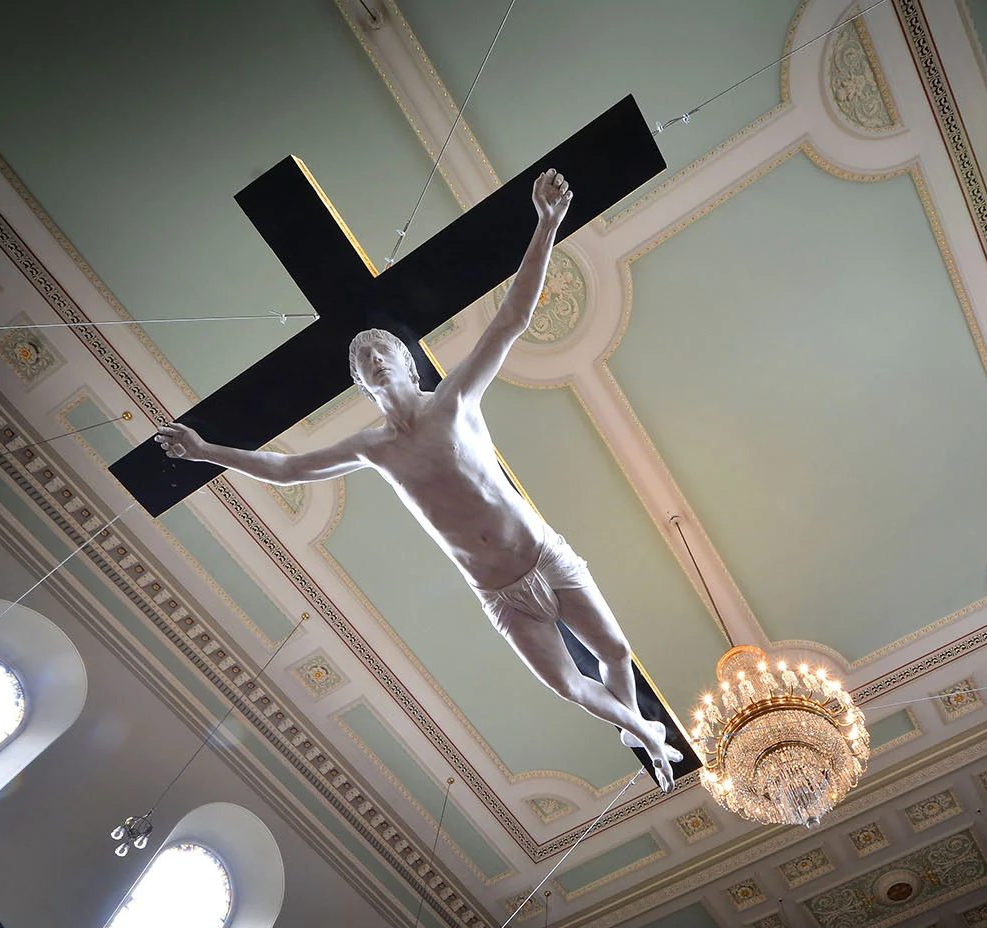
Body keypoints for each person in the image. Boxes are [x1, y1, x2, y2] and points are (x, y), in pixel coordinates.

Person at [156, 169, 682, 792]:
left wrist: (545, 224)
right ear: (361, 383)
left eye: (382, 350)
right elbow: (288, 469)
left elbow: (511, 318)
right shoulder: (372, 447)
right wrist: (207, 451)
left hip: (546, 557)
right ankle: (645, 733)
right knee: (571, 685)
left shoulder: (453, 400)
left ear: (405, 362)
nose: (373, 357)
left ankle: (635, 726)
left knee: (616, 654)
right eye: (361, 360)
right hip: (500, 594)